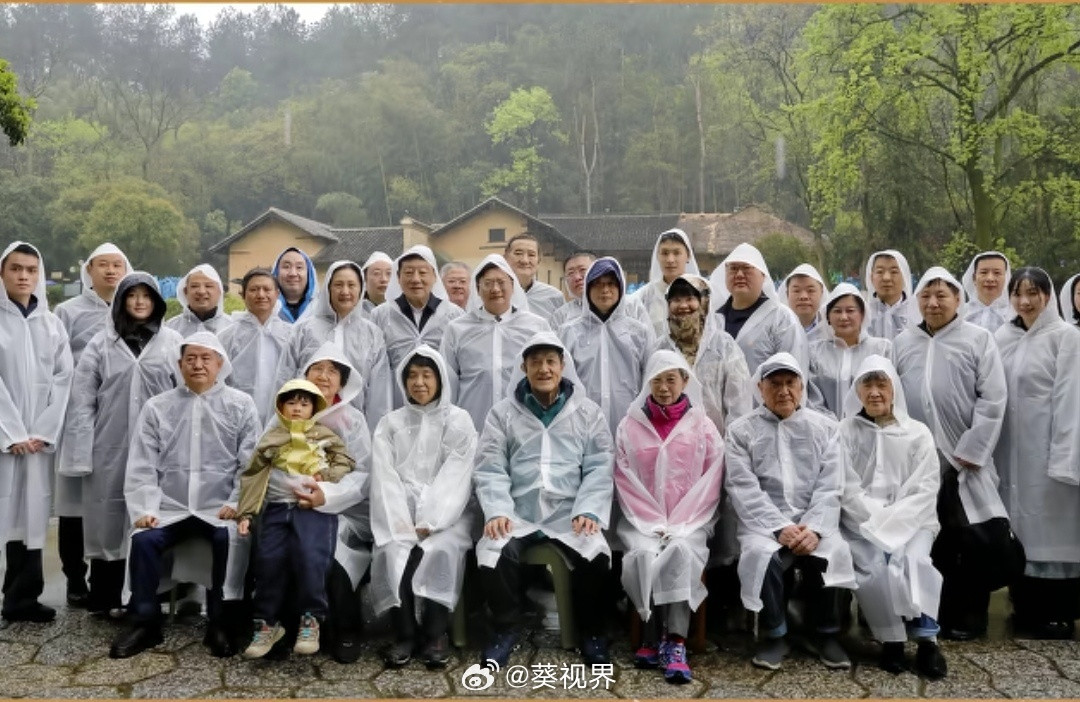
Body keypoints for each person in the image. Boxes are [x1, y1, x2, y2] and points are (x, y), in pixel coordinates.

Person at [109, 332, 260, 659]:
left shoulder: (241, 405)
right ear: (179, 364)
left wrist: (236, 503)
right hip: (169, 507)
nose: (198, 364)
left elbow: (250, 466)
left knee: (228, 540)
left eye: (207, 358)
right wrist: (146, 508)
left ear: (220, 363)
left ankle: (220, 622)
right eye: (190, 358)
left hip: (218, 508)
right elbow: (142, 464)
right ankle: (145, 622)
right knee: (144, 540)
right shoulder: (158, 407)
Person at [474, 331, 614, 668]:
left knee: (596, 553)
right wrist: (497, 511)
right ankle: (506, 628)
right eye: (535, 362)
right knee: (493, 550)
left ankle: (592, 632)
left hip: (569, 511)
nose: (544, 369)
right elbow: (491, 466)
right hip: (519, 512)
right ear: (524, 367)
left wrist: (588, 509)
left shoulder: (587, 413)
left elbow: (600, 466)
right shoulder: (502, 414)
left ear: (563, 366)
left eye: (551, 361)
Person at [892, 267, 1008, 641]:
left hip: (965, 462)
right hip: (917, 462)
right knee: (928, 541)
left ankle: (969, 615)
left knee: (969, 539)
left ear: (959, 299)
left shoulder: (978, 339)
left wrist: (970, 452)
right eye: (926, 296)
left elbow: (993, 399)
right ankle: (927, 613)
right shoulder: (902, 342)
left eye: (942, 295)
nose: (933, 302)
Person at [59, 272, 182, 618]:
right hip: (109, 447)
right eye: (132, 296)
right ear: (121, 301)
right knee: (108, 518)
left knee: (150, 516)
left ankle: (148, 597)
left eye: (146, 296)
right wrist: (81, 454)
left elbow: (183, 394)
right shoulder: (101, 343)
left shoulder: (171, 342)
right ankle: (107, 595)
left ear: (157, 302)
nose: (139, 302)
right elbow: (82, 401)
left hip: (161, 449)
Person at [724, 352, 855, 671]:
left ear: (802, 386)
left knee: (832, 552)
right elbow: (743, 488)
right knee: (761, 557)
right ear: (760, 388)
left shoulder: (826, 428)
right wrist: (778, 527)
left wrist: (813, 528)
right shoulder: (741, 431)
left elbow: (831, 485)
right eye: (775, 384)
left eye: (791, 383)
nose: (784, 391)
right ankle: (775, 634)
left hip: (815, 523)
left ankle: (826, 634)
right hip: (763, 525)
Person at [614, 350, 724, 684]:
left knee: (680, 552)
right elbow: (625, 479)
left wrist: (682, 523)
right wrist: (652, 522)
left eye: (671, 380)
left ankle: (676, 641)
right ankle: (650, 635)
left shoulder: (703, 426)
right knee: (644, 553)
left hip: (691, 519)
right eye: (657, 380)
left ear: (685, 382)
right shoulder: (630, 425)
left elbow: (711, 481)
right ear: (647, 382)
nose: (664, 388)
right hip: (642, 520)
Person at [838, 355, 947, 678]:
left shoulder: (917, 433)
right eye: (866, 384)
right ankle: (892, 641)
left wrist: (895, 521)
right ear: (856, 392)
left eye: (881, 384)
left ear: (894, 388)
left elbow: (925, 488)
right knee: (874, 568)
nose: (874, 392)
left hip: (914, 522)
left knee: (914, 561)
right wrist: (876, 518)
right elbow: (845, 486)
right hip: (861, 524)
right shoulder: (845, 431)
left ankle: (928, 643)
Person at [370, 347, 478, 669]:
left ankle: (434, 633)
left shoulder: (459, 420)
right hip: (399, 509)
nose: (419, 382)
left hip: (450, 514)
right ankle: (403, 633)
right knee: (392, 547)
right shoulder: (390, 423)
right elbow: (383, 477)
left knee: (440, 549)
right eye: (412, 375)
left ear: (440, 378)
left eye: (426, 374)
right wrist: (400, 519)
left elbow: (458, 475)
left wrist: (432, 519)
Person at [236, 379, 354, 659]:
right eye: (291, 403)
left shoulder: (324, 434)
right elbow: (253, 475)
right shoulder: (272, 438)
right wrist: (246, 513)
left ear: (314, 408)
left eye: (304, 403)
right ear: (281, 407)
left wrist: (324, 477)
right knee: (268, 559)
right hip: (277, 508)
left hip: (311, 509)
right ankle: (266, 623)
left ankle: (311, 619)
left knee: (311, 555)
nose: (298, 408)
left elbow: (346, 461)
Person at [994, 267, 1080, 639]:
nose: (1025, 301)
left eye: (1034, 293)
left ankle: (1058, 611)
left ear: (1049, 296)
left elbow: (1070, 398)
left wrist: (1063, 455)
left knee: (1052, 531)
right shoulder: (1002, 337)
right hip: (1010, 450)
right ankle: (1024, 606)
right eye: (1018, 293)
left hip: (1047, 452)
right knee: (1019, 531)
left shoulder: (1065, 338)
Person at [53, 242, 132, 607]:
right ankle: (74, 578)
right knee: (74, 504)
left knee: (111, 502)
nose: (111, 271)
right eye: (103, 265)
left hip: (118, 420)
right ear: (89, 270)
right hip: (78, 417)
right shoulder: (67, 312)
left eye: (117, 264)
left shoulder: (131, 312)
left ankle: (115, 575)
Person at [0, 242, 74, 623]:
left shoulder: (51, 324)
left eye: (31, 269)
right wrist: (11, 432)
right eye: (16, 269)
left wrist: (43, 432)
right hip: (5, 441)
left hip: (38, 443)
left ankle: (23, 597)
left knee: (32, 517)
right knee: (6, 513)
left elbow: (64, 379)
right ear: (3, 273)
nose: (24, 276)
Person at [299, 343, 373, 664]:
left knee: (337, 551)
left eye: (333, 371)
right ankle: (289, 624)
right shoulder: (289, 413)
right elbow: (268, 459)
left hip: (346, 512)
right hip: (297, 504)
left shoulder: (352, 421)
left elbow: (363, 474)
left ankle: (346, 628)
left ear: (342, 382)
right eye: (318, 368)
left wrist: (325, 495)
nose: (324, 377)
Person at [276, 260, 393, 434]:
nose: (345, 291)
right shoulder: (303, 330)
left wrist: (375, 435)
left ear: (361, 290)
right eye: (338, 284)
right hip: (305, 428)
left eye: (351, 285)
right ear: (328, 289)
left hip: (354, 429)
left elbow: (379, 393)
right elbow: (285, 378)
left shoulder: (372, 334)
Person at [440, 254, 550, 431]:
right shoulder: (457, 329)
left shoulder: (536, 326)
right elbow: (447, 381)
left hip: (524, 422)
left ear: (512, 285)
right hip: (472, 421)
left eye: (501, 282)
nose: (495, 289)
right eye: (488, 283)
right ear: (477, 287)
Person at [558, 256, 653, 436]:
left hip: (631, 425)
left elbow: (649, 379)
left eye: (611, 284)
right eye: (598, 284)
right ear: (588, 288)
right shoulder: (568, 332)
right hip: (582, 427)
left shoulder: (639, 333)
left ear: (621, 288)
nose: (605, 290)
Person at [654, 274, 752, 435]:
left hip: (717, 446)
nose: (683, 305)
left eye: (690, 298)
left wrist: (732, 448)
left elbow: (739, 404)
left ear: (704, 303)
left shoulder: (724, 346)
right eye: (676, 300)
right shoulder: (660, 348)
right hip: (671, 447)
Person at [369, 245, 464, 408]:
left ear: (434, 276)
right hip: (396, 405)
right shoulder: (381, 315)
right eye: (408, 273)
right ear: (398, 278)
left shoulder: (454, 316)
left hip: (442, 406)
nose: (415, 279)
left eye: (422, 272)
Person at [709, 242, 808, 375]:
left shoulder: (781, 319)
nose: (739, 274)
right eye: (733, 268)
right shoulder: (713, 320)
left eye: (746, 268)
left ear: (763, 275)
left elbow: (794, 371)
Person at [807, 283, 892, 418]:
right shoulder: (814, 353)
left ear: (862, 314)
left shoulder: (882, 349)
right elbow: (812, 399)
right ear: (827, 316)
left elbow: (890, 393)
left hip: (870, 431)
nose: (844, 317)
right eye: (837, 311)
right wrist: (832, 427)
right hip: (826, 433)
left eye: (850, 310)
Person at [220, 268, 291, 424]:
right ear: (243, 295)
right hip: (237, 417)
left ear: (277, 294)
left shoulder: (291, 334)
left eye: (267, 289)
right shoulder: (227, 336)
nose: (261, 295)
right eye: (253, 289)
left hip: (283, 417)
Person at [632, 229, 702, 338]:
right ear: (657, 256)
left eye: (676, 253)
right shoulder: (642, 298)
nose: (670, 259)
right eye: (665, 253)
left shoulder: (702, 294)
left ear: (688, 256)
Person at [503, 233, 565, 321]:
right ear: (505, 258)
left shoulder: (554, 296)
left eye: (531, 255)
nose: (525, 260)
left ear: (538, 260)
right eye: (518, 253)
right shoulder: (495, 294)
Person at [166, 264, 234, 337]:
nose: (201, 291)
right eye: (194, 286)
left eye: (208, 286)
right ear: (185, 291)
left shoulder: (232, 328)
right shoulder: (170, 328)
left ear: (219, 291)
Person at [863, 249, 918, 340]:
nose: (886, 278)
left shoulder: (917, 314)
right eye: (880, 272)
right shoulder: (862, 314)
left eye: (894, 272)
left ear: (905, 276)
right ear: (871, 277)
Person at [961, 252, 1011, 333]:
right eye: (984, 272)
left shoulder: (1014, 314)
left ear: (1006, 277)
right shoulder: (960, 313)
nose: (990, 279)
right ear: (974, 278)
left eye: (997, 273)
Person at [778, 263, 829, 342]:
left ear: (821, 293)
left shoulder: (832, 331)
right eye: (796, 291)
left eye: (810, 290)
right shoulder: (777, 330)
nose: (803, 297)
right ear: (787, 294)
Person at [272, 247, 318, 323]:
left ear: (309, 274)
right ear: (276, 272)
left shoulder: (321, 310)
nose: (293, 273)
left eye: (299, 267)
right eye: (286, 267)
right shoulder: (265, 310)